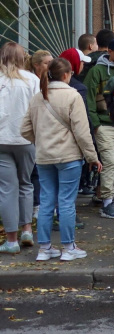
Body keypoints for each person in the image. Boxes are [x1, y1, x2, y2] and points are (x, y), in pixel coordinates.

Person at [22, 57, 100, 261]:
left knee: (47, 201)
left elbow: (24, 129)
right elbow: (83, 133)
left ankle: (44, 248)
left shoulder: (39, 97)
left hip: (44, 156)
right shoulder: (73, 96)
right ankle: (68, 247)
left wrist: (41, 141)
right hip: (69, 156)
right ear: (66, 75)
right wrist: (92, 157)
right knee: (66, 202)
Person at [81, 36, 114, 218]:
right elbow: (89, 98)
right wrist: (96, 124)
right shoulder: (97, 71)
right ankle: (107, 202)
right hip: (105, 126)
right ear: (110, 51)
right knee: (109, 163)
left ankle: (108, 199)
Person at [0, 42, 40, 254]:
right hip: (26, 139)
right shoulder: (32, 79)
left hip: (2, 139)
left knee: (7, 189)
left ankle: (11, 239)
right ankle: (27, 230)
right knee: (26, 184)